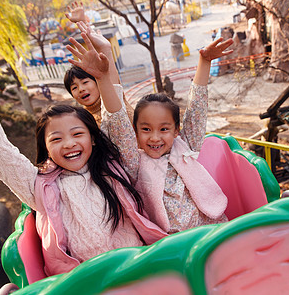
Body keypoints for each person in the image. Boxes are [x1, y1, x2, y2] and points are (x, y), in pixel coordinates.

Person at [0, 48, 165, 277]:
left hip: (138, 270)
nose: (69, 144)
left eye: (77, 134)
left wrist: (103, 76)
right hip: (85, 283)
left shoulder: (115, 165)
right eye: (56, 138)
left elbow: (117, 119)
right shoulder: (40, 186)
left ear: (92, 138)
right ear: (46, 148)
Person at [66, 32, 234, 234]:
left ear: (176, 131)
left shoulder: (185, 144)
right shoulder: (134, 162)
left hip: (213, 229)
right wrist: (102, 78)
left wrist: (204, 61)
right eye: (146, 129)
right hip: (171, 244)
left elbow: (197, 107)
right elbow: (117, 117)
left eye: (164, 129)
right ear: (134, 133)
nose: (155, 137)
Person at [64, 2, 134, 125]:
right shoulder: (83, 121)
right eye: (74, 88)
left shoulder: (115, 97)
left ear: (98, 83)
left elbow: (106, 64)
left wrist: (82, 23)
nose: (81, 89)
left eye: (85, 82)